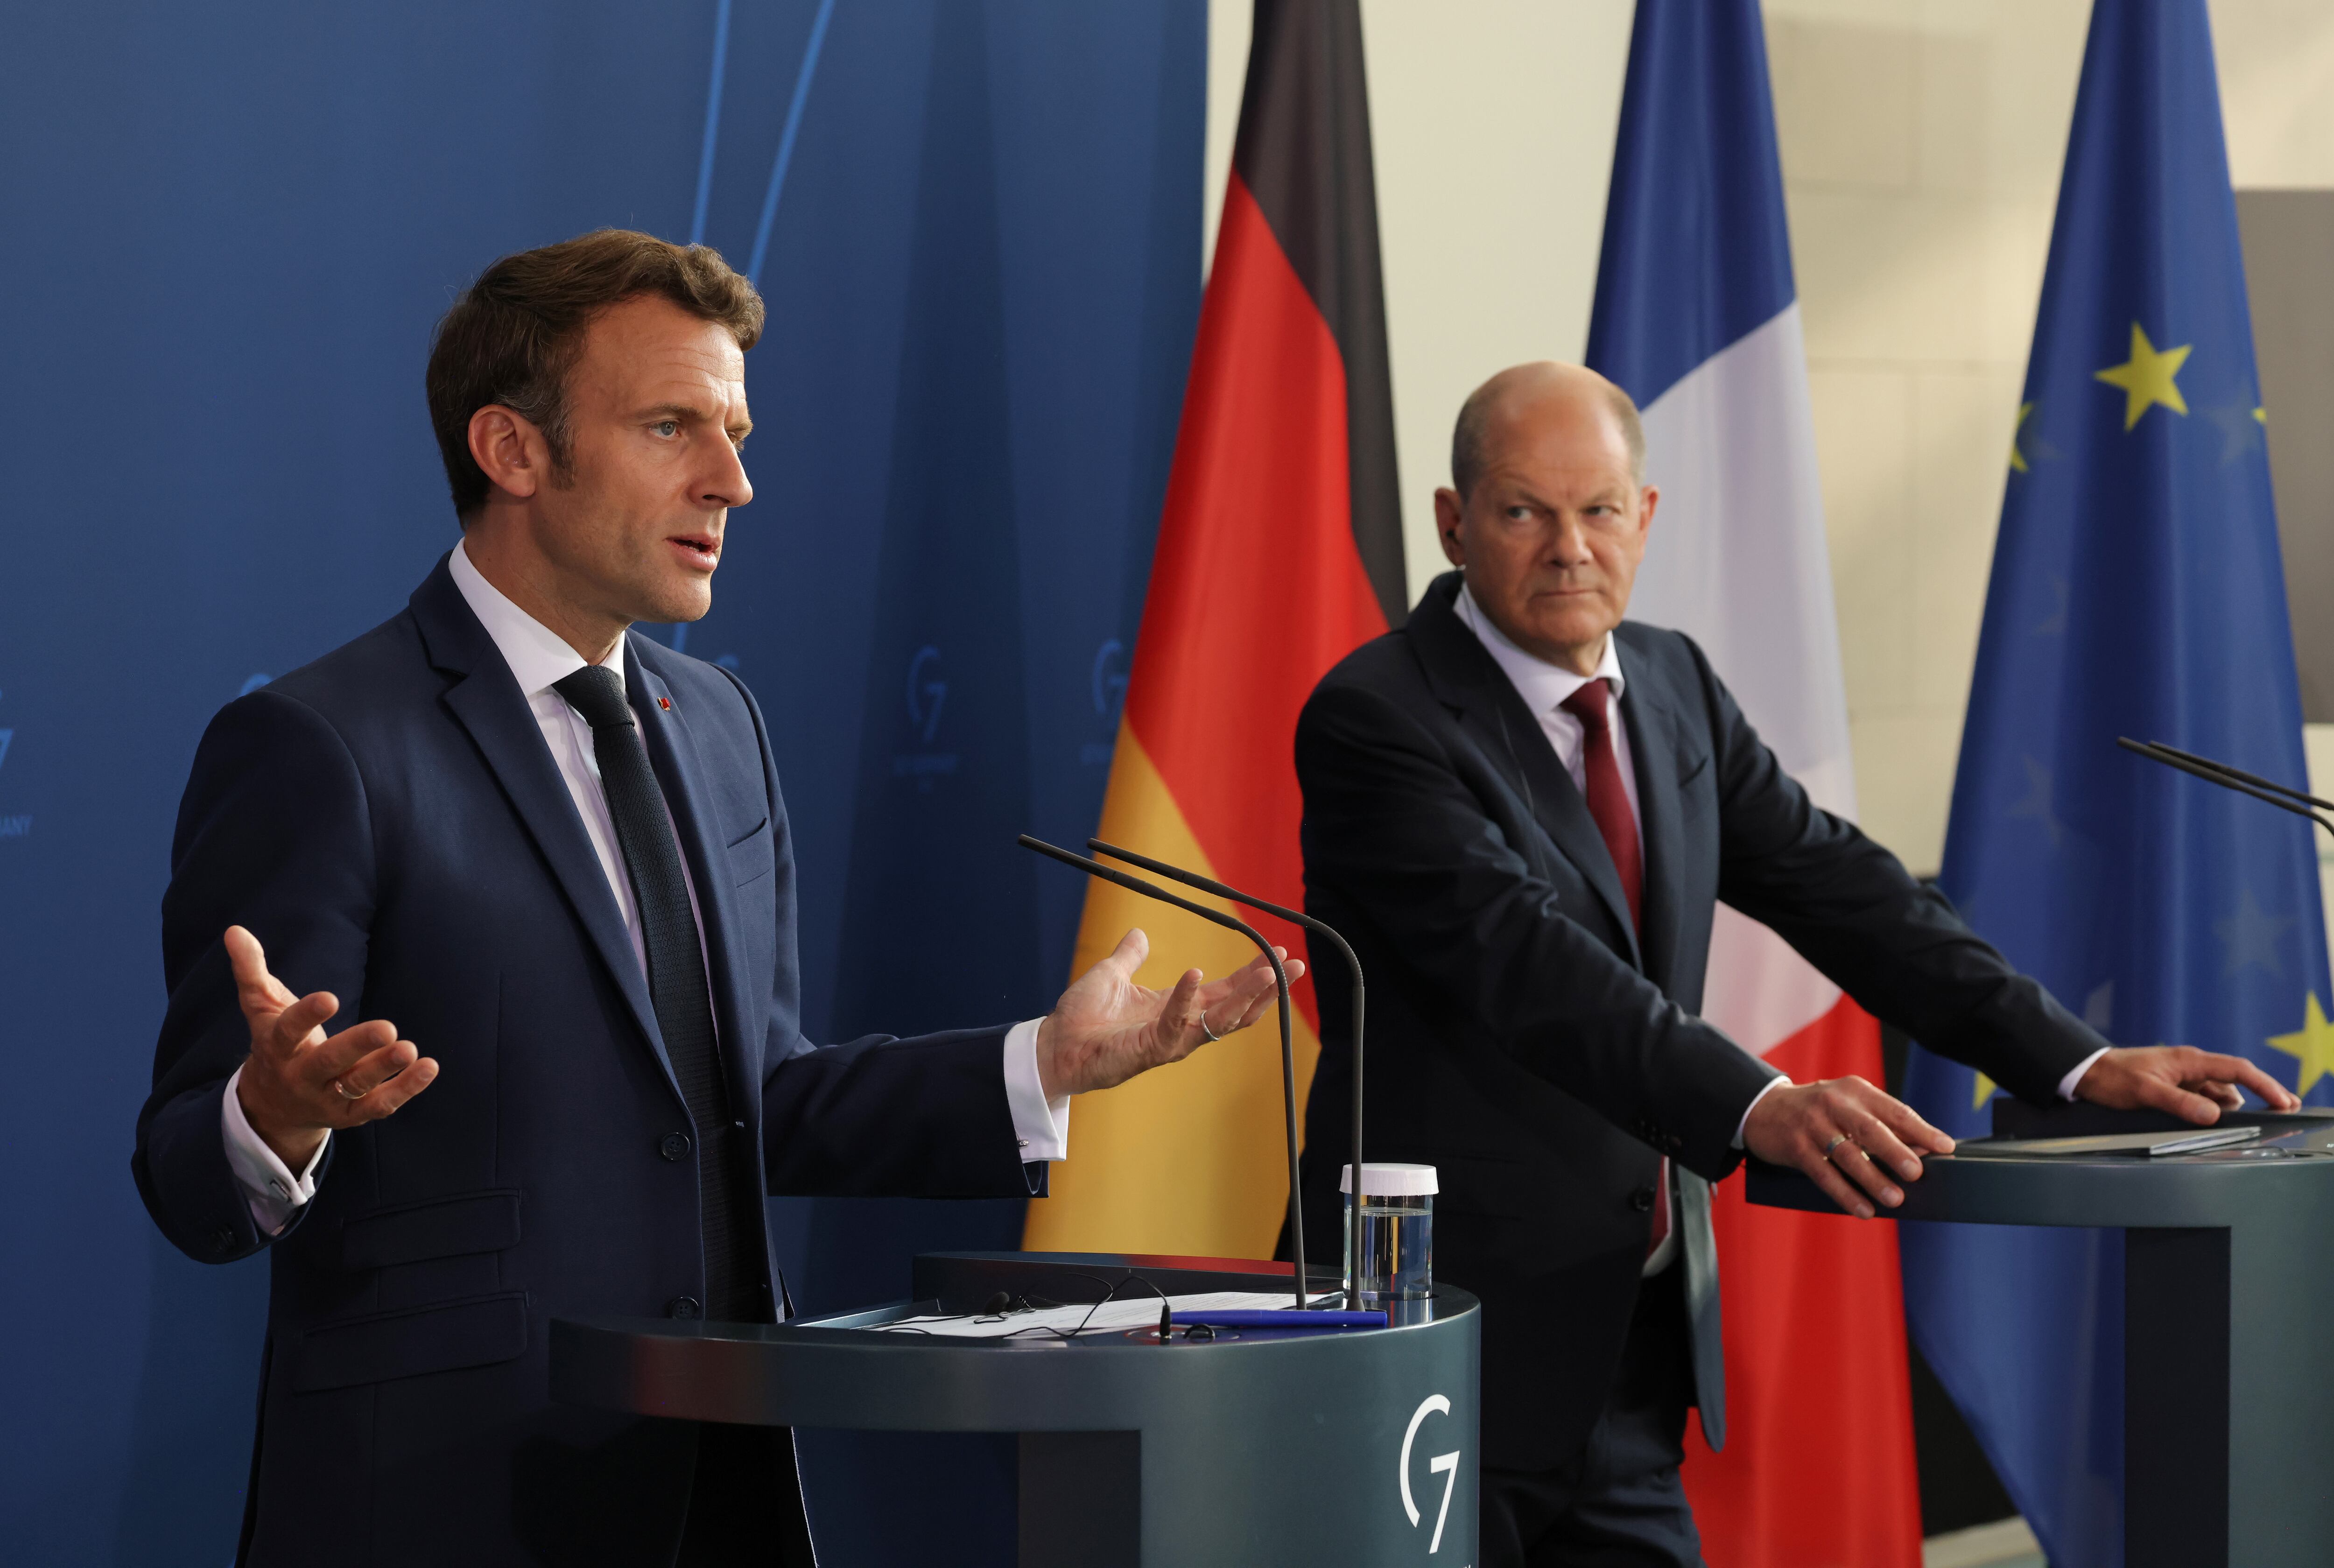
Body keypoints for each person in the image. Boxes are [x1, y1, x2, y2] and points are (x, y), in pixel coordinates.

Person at [131, 229, 1297, 1568]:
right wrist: (271, 1117)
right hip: (449, 1501)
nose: (734, 481)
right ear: (511, 452)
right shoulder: (320, 743)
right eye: (674, 426)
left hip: (716, 1485)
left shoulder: (716, 722)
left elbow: (760, 1101)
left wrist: (1047, 1063)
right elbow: (185, 1178)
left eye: (737, 432)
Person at [1291, 361, 2291, 1568]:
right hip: (1436, 1329)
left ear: (1645, 518)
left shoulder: (1669, 683)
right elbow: (1528, 964)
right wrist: (1760, 1103)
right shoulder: (1376, 716)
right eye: (1522, 511)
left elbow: (1843, 890)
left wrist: (2073, 1063)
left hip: (1630, 1336)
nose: (1568, 547)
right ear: (1453, 522)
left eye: (1599, 510)